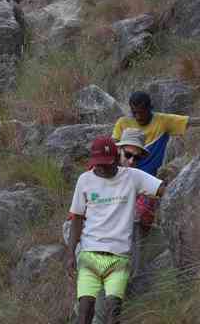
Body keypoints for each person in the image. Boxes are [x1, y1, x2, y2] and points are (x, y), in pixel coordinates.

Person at [68, 136, 164, 324]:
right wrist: (71, 253)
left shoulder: (132, 177)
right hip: (89, 254)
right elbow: (77, 217)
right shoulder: (85, 180)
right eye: (98, 164)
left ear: (115, 157)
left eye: (106, 163)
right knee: (85, 309)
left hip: (119, 257)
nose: (101, 168)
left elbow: (162, 188)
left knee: (113, 309)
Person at [112, 91, 189, 178]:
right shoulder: (123, 123)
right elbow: (113, 148)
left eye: (141, 112)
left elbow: (189, 122)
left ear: (150, 108)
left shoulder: (163, 121)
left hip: (150, 176)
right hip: (125, 174)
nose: (138, 117)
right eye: (134, 113)